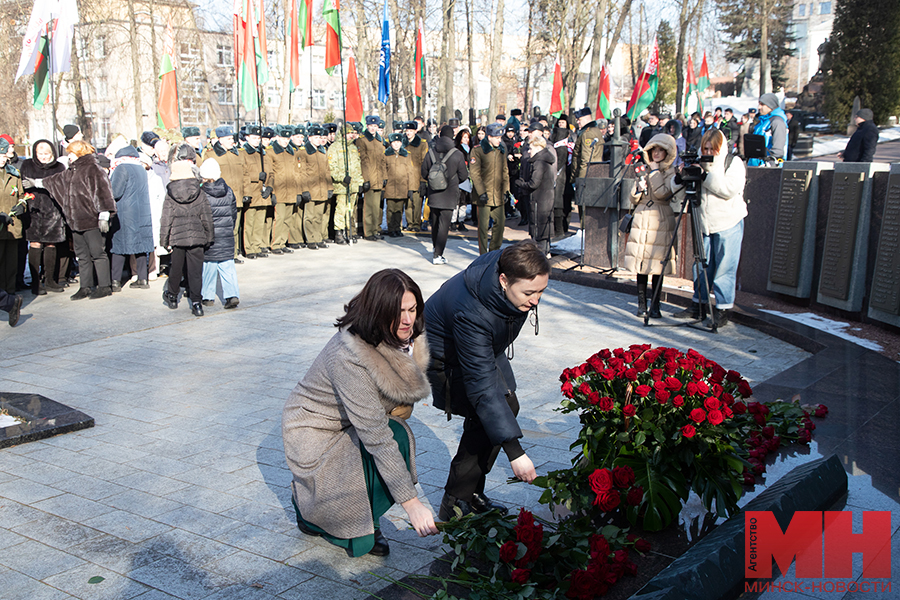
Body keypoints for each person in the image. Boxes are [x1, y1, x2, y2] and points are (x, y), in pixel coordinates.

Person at [282, 269, 439, 557]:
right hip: (314, 433)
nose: (407, 320)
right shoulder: (349, 354)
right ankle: (323, 514)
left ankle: (346, 513)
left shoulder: (405, 337)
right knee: (391, 439)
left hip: (348, 421)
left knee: (395, 434)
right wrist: (411, 503)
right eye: (398, 312)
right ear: (378, 312)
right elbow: (376, 435)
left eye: (412, 309)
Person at [425, 240, 548, 520]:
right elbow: (481, 388)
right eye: (529, 292)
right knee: (486, 414)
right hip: (445, 356)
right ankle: (456, 503)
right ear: (504, 280)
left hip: (482, 346)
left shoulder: (509, 263)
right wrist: (515, 453)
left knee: (506, 407)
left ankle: (470, 493)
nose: (536, 300)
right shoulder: (472, 313)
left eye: (542, 291)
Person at [673, 129, 746, 325]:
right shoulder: (700, 163)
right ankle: (698, 305)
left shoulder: (733, 163)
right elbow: (679, 193)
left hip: (728, 222)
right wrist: (681, 176)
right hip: (703, 223)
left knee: (724, 268)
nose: (708, 152)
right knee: (700, 267)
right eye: (705, 148)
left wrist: (705, 174)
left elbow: (728, 189)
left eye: (712, 149)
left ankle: (722, 310)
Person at [37, 140, 116, 300]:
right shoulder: (72, 170)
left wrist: (104, 214)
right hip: (75, 221)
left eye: (70, 153)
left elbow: (103, 191)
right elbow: (56, 180)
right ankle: (85, 287)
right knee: (82, 255)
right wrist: (37, 183)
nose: (68, 156)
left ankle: (104, 286)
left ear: (78, 153)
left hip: (92, 220)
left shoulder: (93, 169)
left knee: (97, 253)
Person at [624, 134, 680, 318]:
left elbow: (663, 193)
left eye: (660, 150)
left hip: (660, 219)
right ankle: (641, 304)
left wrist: (655, 172)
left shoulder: (670, 172)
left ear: (667, 152)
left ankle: (655, 306)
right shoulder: (643, 169)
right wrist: (638, 188)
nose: (656, 154)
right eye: (653, 150)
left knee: (657, 264)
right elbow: (632, 199)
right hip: (642, 217)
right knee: (641, 263)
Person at [159, 144, 214, 317]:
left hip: (178, 238)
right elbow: (206, 216)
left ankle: (173, 296)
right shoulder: (199, 192)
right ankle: (197, 303)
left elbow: (166, 218)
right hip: (197, 237)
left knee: (176, 269)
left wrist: (164, 240)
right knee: (196, 271)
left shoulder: (170, 193)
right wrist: (209, 237)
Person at [20, 139, 66, 295]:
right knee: (35, 244)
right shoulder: (27, 165)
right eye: (40, 154)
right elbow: (23, 183)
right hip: (34, 211)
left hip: (53, 211)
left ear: (52, 153)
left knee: (51, 244)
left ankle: (50, 280)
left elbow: (61, 185)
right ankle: (35, 282)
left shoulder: (59, 167)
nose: (44, 157)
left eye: (47, 154)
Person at [109, 145, 154, 291]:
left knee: (119, 246)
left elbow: (115, 192)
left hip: (126, 212)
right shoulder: (141, 168)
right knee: (141, 247)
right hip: (142, 211)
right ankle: (143, 279)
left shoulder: (122, 168)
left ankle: (115, 282)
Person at [422, 126, 468, 265]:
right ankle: (438, 254)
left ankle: (436, 248)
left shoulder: (430, 151)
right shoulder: (457, 154)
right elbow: (464, 175)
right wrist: (452, 181)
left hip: (434, 193)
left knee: (435, 223)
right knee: (444, 224)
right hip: (449, 194)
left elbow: (424, 173)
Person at [199, 158, 239, 310]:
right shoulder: (228, 190)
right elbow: (233, 212)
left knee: (209, 265)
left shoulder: (202, 193)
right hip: (226, 234)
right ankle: (232, 294)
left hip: (210, 235)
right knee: (227, 266)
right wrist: (229, 228)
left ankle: (207, 296)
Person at [470, 123, 510, 254]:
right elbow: (474, 173)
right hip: (484, 195)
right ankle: (483, 253)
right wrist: (481, 192)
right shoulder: (478, 150)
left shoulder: (501, 150)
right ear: (490, 137)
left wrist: (506, 190)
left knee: (500, 223)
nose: (500, 140)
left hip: (498, 193)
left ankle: (494, 251)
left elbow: (505, 171)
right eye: (497, 137)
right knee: (483, 227)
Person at [515, 129, 557, 256]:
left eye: (531, 149)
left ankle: (542, 256)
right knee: (545, 230)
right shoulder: (546, 160)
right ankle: (546, 252)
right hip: (546, 198)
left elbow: (534, 183)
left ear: (538, 148)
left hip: (539, 200)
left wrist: (520, 184)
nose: (529, 151)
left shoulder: (539, 162)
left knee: (540, 230)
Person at [1, 137, 28, 302]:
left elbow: (21, 196)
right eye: (1, 155)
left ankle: (9, 295)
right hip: (0, 224)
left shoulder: (13, 173)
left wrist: (22, 206)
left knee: (11, 264)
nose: (4, 159)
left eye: (5, 156)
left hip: (12, 225)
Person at [327, 124, 364, 245]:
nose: (351, 136)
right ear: (343, 134)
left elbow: (357, 167)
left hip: (353, 185)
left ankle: (349, 231)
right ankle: (339, 233)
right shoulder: (335, 147)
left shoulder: (353, 148)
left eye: (352, 133)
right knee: (341, 210)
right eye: (349, 133)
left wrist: (360, 182)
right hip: (342, 185)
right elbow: (331, 168)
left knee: (350, 210)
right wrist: (342, 178)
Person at [298, 125, 333, 249]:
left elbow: (327, 172)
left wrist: (329, 188)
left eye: (319, 137)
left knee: (319, 216)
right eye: (315, 137)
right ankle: (311, 239)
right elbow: (302, 173)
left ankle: (318, 238)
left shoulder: (322, 152)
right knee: (310, 217)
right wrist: (305, 190)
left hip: (322, 189)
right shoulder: (304, 152)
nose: (318, 140)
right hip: (311, 190)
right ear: (309, 138)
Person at [356, 116, 387, 241]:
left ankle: (375, 230)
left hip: (379, 178)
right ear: (367, 126)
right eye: (371, 126)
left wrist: (384, 176)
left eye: (375, 126)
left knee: (376, 208)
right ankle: (368, 232)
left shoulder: (380, 141)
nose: (373, 128)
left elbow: (383, 160)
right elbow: (363, 162)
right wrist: (366, 179)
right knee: (368, 207)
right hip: (369, 178)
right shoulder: (362, 141)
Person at [382, 133, 417, 238]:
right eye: (394, 142)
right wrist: (384, 181)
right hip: (390, 186)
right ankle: (391, 229)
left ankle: (397, 228)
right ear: (390, 143)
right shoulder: (386, 155)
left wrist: (411, 188)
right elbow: (383, 168)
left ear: (401, 143)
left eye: (398, 142)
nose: (396, 145)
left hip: (402, 187)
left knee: (399, 210)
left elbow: (410, 172)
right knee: (390, 209)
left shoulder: (406, 155)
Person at [749, 93, 787, 166]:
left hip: (766, 166)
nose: (759, 107)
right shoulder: (763, 121)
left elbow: (778, 149)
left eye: (762, 104)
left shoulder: (777, 122)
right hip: (756, 164)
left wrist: (771, 164)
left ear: (770, 106)